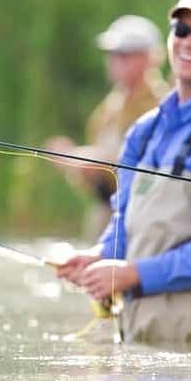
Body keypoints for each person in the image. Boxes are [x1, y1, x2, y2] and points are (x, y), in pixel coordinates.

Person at [56, 0, 191, 347]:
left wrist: (132, 273)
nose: (189, 42)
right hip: (137, 329)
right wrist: (99, 256)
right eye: (181, 31)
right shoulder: (144, 130)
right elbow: (125, 220)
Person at [45, 15, 166, 238]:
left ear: (150, 57)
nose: (115, 60)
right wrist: (72, 161)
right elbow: (94, 181)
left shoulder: (163, 106)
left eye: (124, 54)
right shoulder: (106, 110)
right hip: (105, 217)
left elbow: (154, 170)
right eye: (111, 54)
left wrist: (93, 159)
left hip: (144, 223)